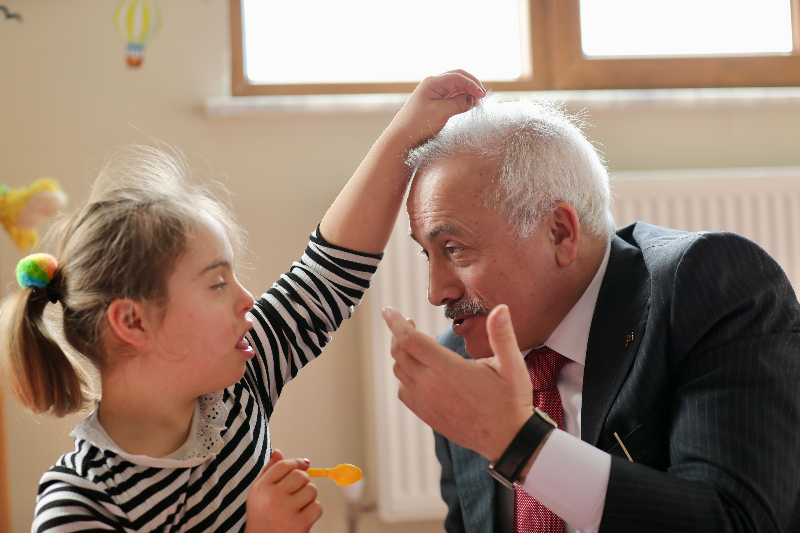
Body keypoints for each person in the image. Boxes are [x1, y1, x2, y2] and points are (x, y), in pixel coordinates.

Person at [0, 72, 486, 533]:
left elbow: (328, 273)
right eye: (216, 284)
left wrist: (407, 133)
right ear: (133, 321)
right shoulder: (79, 503)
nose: (246, 300)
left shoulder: (232, 395)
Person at [382, 97, 800, 533]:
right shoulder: (462, 364)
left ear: (559, 232)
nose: (435, 293)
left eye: (454, 249)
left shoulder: (707, 285)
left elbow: (733, 520)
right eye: (426, 253)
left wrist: (518, 443)